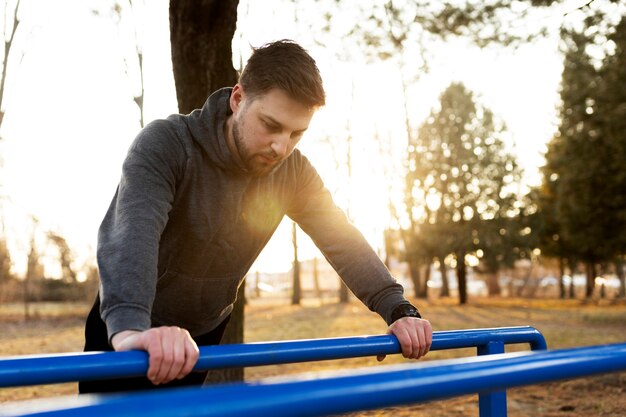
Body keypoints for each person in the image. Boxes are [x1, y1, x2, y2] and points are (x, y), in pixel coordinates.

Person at [79, 39, 432, 394]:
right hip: (126, 326)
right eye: (271, 124)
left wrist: (399, 309)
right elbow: (131, 235)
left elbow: (342, 239)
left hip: (201, 333)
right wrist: (131, 330)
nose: (282, 146)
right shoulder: (168, 144)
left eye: (296, 133)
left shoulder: (294, 173)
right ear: (237, 99)